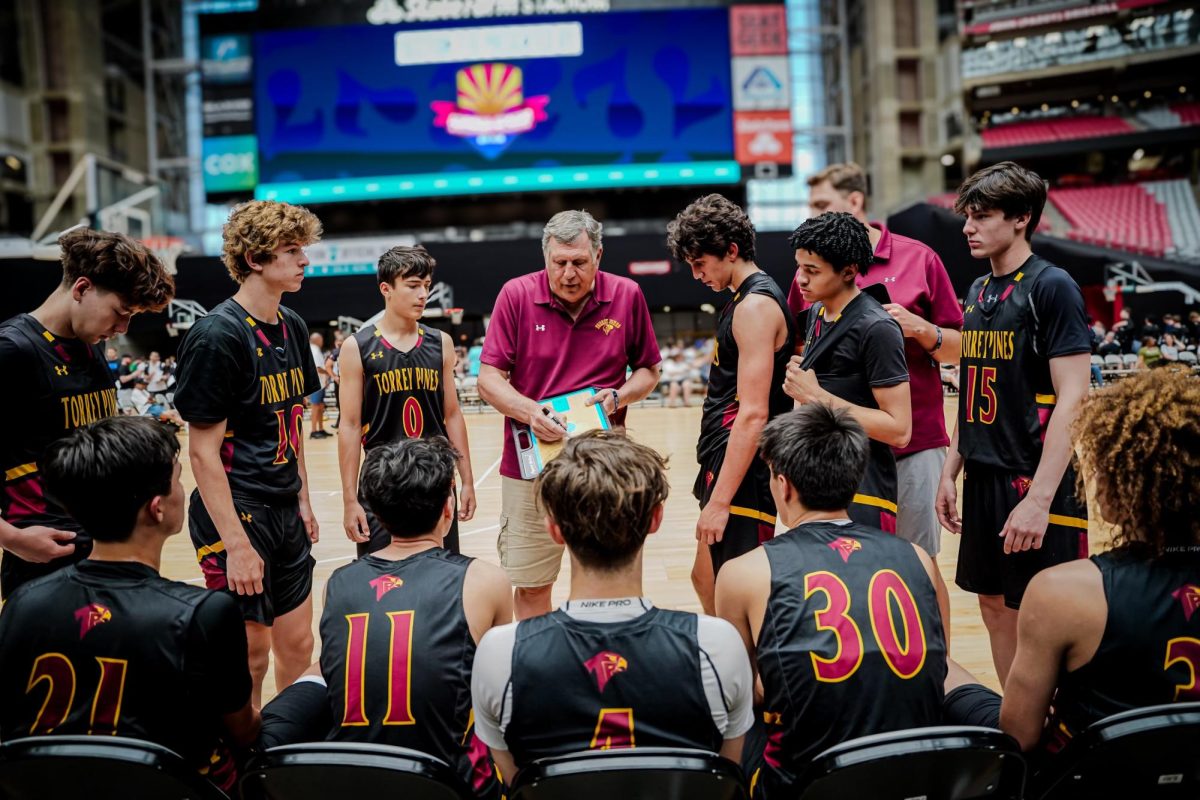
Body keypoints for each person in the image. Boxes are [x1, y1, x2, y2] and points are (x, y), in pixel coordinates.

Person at [943, 370, 1200, 766]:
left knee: (942, 670)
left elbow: (1020, 737)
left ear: (1126, 479)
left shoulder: (1065, 592)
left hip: (1089, 776)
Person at [472, 431, 754, 782]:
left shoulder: (499, 655)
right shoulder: (718, 646)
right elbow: (725, 777)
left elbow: (519, 785)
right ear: (656, 519)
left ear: (553, 529)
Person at [0, 417, 257, 794]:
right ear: (157, 508)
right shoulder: (204, 612)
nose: (182, 490)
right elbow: (243, 729)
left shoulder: (23, 603)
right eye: (178, 478)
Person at [717, 404, 947, 796]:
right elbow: (936, 667)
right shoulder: (920, 558)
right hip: (911, 773)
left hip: (809, 780)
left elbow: (747, 692)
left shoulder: (743, 573)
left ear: (783, 484)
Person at [262, 436, 511, 795]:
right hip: (446, 783)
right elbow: (500, 693)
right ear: (447, 508)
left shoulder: (339, 583)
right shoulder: (486, 580)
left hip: (356, 779)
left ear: (377, 515)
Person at [936, 162, 1092, 687]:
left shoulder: (1053, 287)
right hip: (982, 474)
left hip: (1031, 477)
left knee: (1049, 612)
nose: (968, 227)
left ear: (1022, 218)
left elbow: (1075, 396)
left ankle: (1062, 730)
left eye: (981, 216)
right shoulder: (978, 290)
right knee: (994, 606)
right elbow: (978, 391)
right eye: (966, 216)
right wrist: (949, 468)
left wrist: (1040, 499)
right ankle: (1019, 726)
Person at [792, 163, 962, 630]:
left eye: (822, 206)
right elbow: (805, 350)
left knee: (916, 566)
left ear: (855, 204)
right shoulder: (813, 272)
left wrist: (921, 329)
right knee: (855, 573)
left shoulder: (919, 258)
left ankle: (938, 671)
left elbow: (963, 345)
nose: (813, 216)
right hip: (843, 455)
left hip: (913, 445)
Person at [173, 199, 323, 707]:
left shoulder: (293, 326)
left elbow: (295, 419)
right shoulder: (218, 335)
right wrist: (236, 544)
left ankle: (289, 753)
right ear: (255, 259)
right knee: (249, 655)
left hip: (282, 506)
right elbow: (201, 454)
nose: (305, 260)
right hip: (237, 510)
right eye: (291, 250)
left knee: (298, 645)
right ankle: (242, 763)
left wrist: (301, 496)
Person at [477, 210, 662, 619]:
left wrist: (620, 397)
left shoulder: (627, 294)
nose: (568, 274)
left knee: (606, 579)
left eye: (579, 262)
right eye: (559, 263)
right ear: (546, 257)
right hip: (530, 468)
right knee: (530, 586)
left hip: (605, 466)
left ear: (598, 254)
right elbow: (489, 378)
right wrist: (529, 412)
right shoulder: (516, 294)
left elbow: (649, 370)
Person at [0, 228, 174, 598]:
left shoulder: (89, 345)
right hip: (42, 559)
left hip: (106, 550)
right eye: (120, 313)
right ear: (81, 289)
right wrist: (12, 539)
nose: (122, 329)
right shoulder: (12, 351)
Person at [666, 194, 795, 615]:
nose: (696, 274)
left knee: (737, 593)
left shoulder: (756, 306)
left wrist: (720, 501)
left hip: (745, 469)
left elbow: (754, 413)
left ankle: (753, 679)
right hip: (724, 459)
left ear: (731, 251)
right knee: (705, 579)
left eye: (701, 263)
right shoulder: (742, 300)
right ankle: (737, 672)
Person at [337, 245, 476, 557]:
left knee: (439, 578)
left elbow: (452, 415)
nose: (423, 295)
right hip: (381, 482)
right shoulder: (356, 347)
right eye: (413, 286)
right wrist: (349, 500)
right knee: (381, 584)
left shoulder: (441, 343)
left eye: (426, 285)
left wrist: (467, 481)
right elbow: (348, 425)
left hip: (435, 481)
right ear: (386, 289)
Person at [784, 212, 912, 532]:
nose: (801, 279)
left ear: (848, 271)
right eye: (800, 267)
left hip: (863, 491)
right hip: (818, 480)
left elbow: (899, 429)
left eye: (812, 271)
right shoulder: (815, 312)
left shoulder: (878, 327)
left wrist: (815, 395)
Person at [308, 332, 330, 439]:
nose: (322, 341)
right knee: (315, 406)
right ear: (316, 340)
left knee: (320, 406)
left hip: (320, 384)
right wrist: (330, 373)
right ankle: (313, 430)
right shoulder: (314, 350)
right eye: (321, 339)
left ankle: (320, 429)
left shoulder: (315, 349)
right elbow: (318, 368)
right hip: (316, 384)